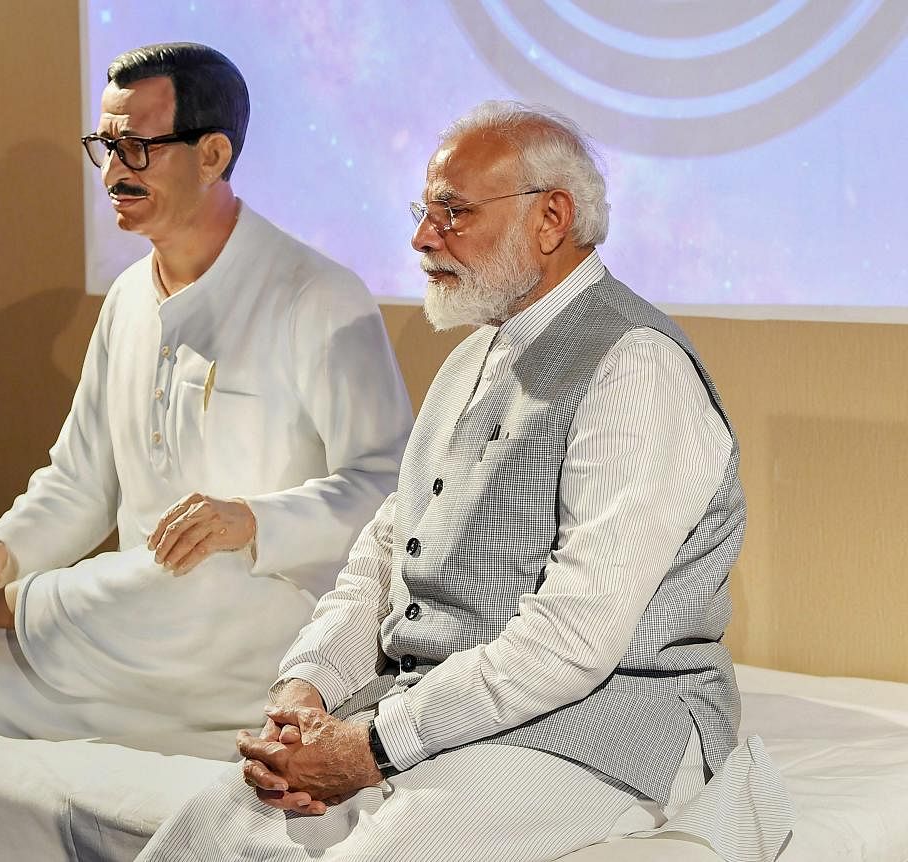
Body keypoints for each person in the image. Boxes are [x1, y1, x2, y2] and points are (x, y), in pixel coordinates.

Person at [137, 102, 794, 860]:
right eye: (425, 212)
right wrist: (307, 691)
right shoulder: (468, 361)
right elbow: (385, 558)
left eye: (453, 213)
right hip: (440, 710)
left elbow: (574, 640)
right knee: (213, 823)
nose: (422, 237)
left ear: (551, 218)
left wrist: (369, 747)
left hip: (602, 726)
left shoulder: (635, 366)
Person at [0, 42, 412, 760]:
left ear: (214, 153)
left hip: (267, 615)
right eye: (104, 146)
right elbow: (79, 482)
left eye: (136, 148)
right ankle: (202, 729)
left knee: (204, 581)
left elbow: (386, 489)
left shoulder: (318, 295)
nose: (112, 173)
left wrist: (252, 521)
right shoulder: (129, 299)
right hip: (151, 628)